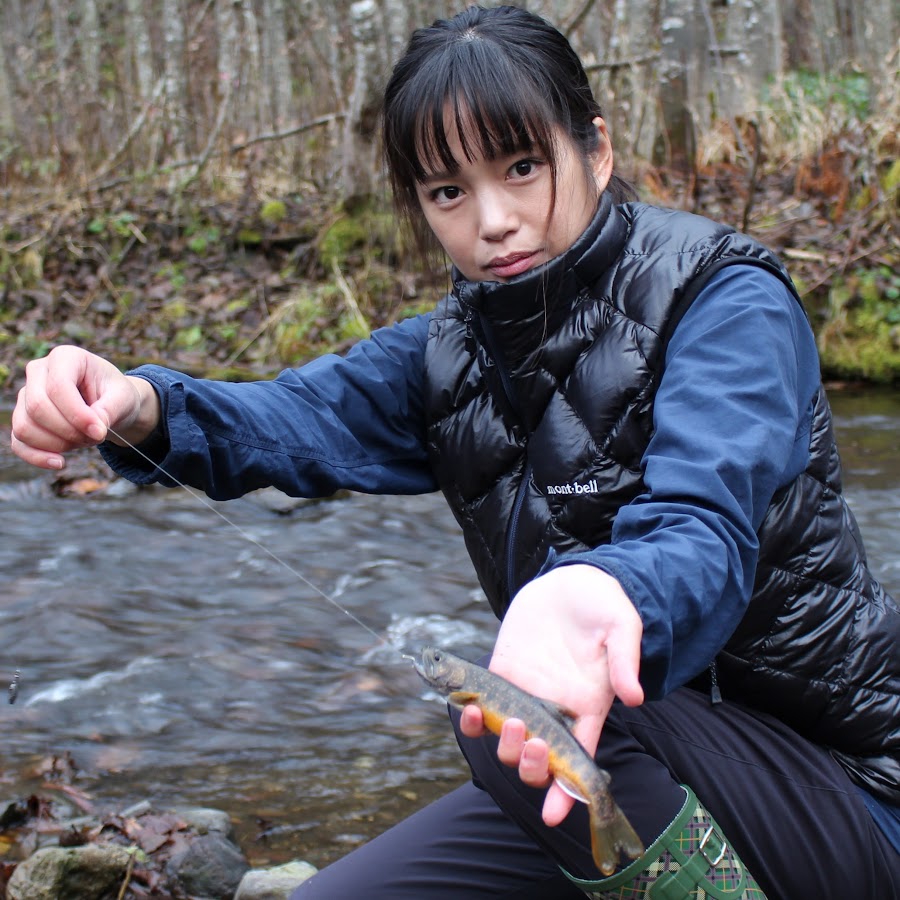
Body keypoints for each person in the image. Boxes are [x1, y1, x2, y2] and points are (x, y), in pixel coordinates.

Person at [9, 5, 899, 899]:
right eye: (448, 192)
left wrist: (602, 594)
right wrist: (136, 405)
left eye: (522, 168)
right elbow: (284, 418)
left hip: (845, 788)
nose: (493, 220)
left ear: (595, 150)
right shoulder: (447, 357)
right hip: (621, 771)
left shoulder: (725, 300)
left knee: (512, 712)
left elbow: (704, 521)